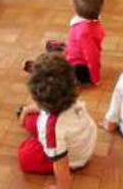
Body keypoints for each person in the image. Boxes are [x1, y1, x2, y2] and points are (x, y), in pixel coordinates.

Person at [16, 53, 97, 189]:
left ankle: (39, 145)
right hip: (82, 140)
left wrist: (62, 187)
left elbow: (61, 163)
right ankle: (37, 137)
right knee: (28, 118)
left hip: (74, 158)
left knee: (24, 156)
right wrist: (27, 110)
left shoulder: (52, 128)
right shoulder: (70, 96)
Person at [22, 0, 106, 86]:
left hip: (80, 68)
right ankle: (56, 56)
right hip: (74, 55)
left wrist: (95, 78)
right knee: (60, 51)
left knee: (61, 72)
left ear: (74, 7)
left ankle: (41, 70)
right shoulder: (90, 22)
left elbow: (92, 55)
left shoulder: (84, 32)